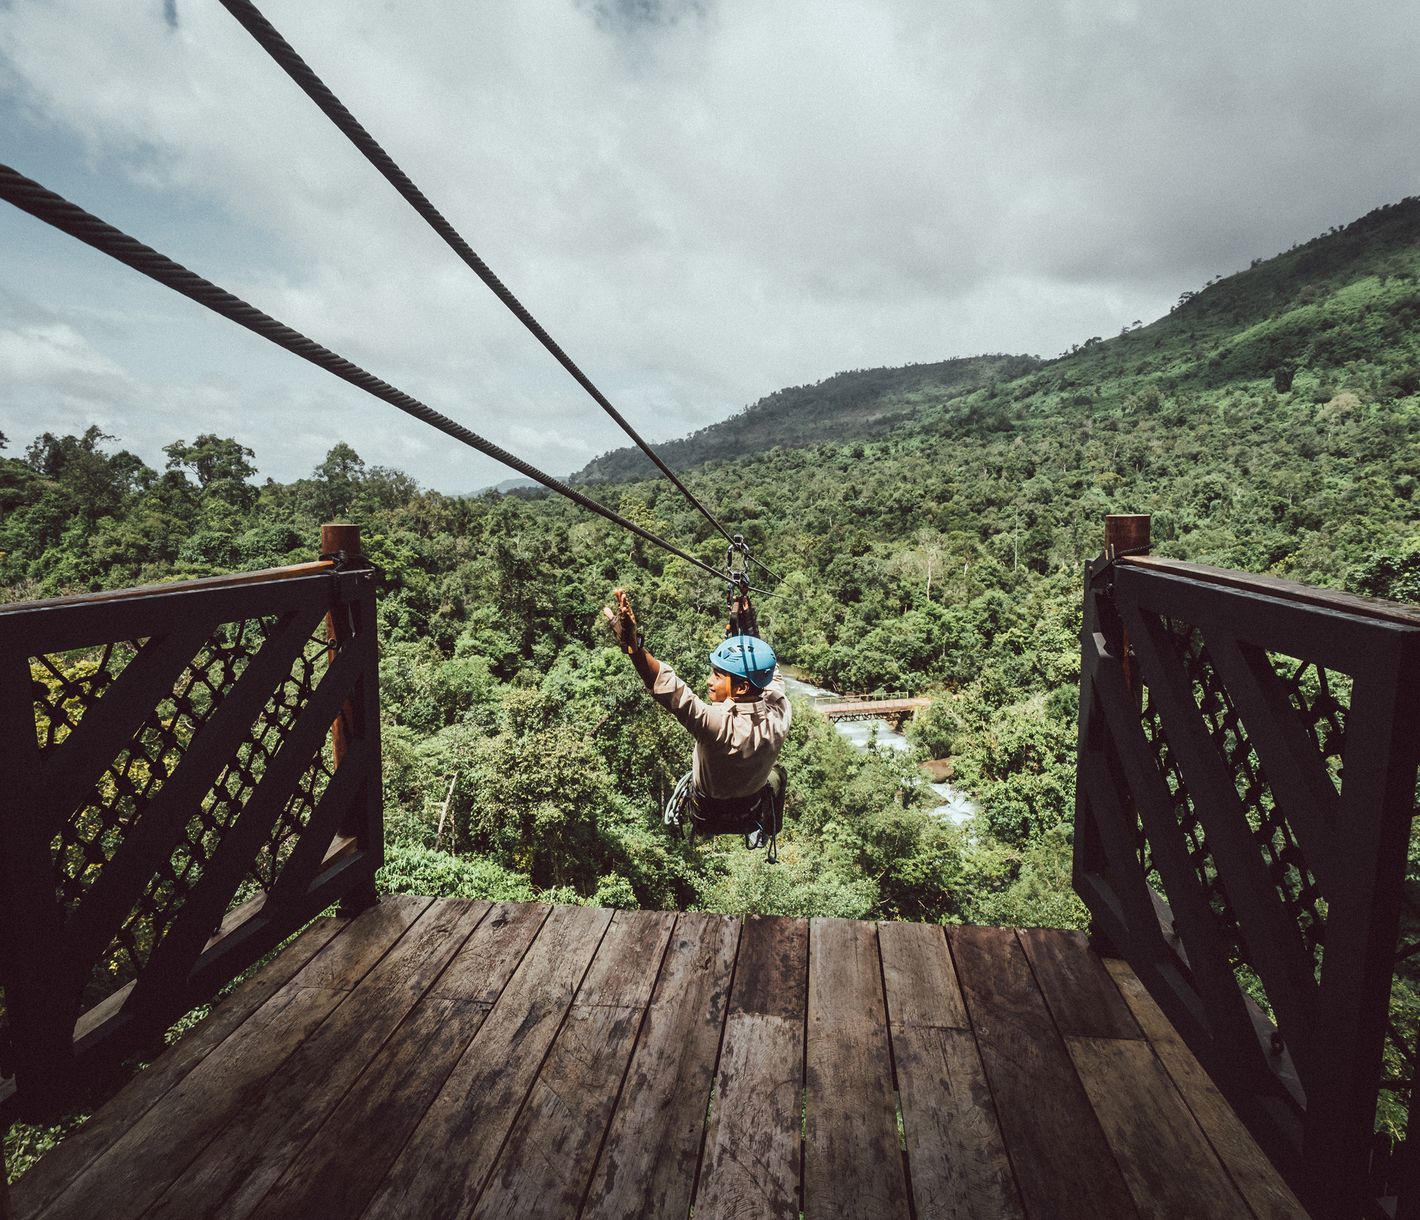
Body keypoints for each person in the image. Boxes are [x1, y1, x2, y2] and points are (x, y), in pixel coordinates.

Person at [602, 588, 791, 850]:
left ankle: (713, 831)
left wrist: (633, 646)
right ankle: (764, 830)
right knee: (778, 773)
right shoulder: (781, 713)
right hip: (751, 806)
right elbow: (771, 677)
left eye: (717, 675)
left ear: (742, 688)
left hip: (707, 811)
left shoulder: (713, 724)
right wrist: (749, 624)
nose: (709, 681)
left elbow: (666, 686)